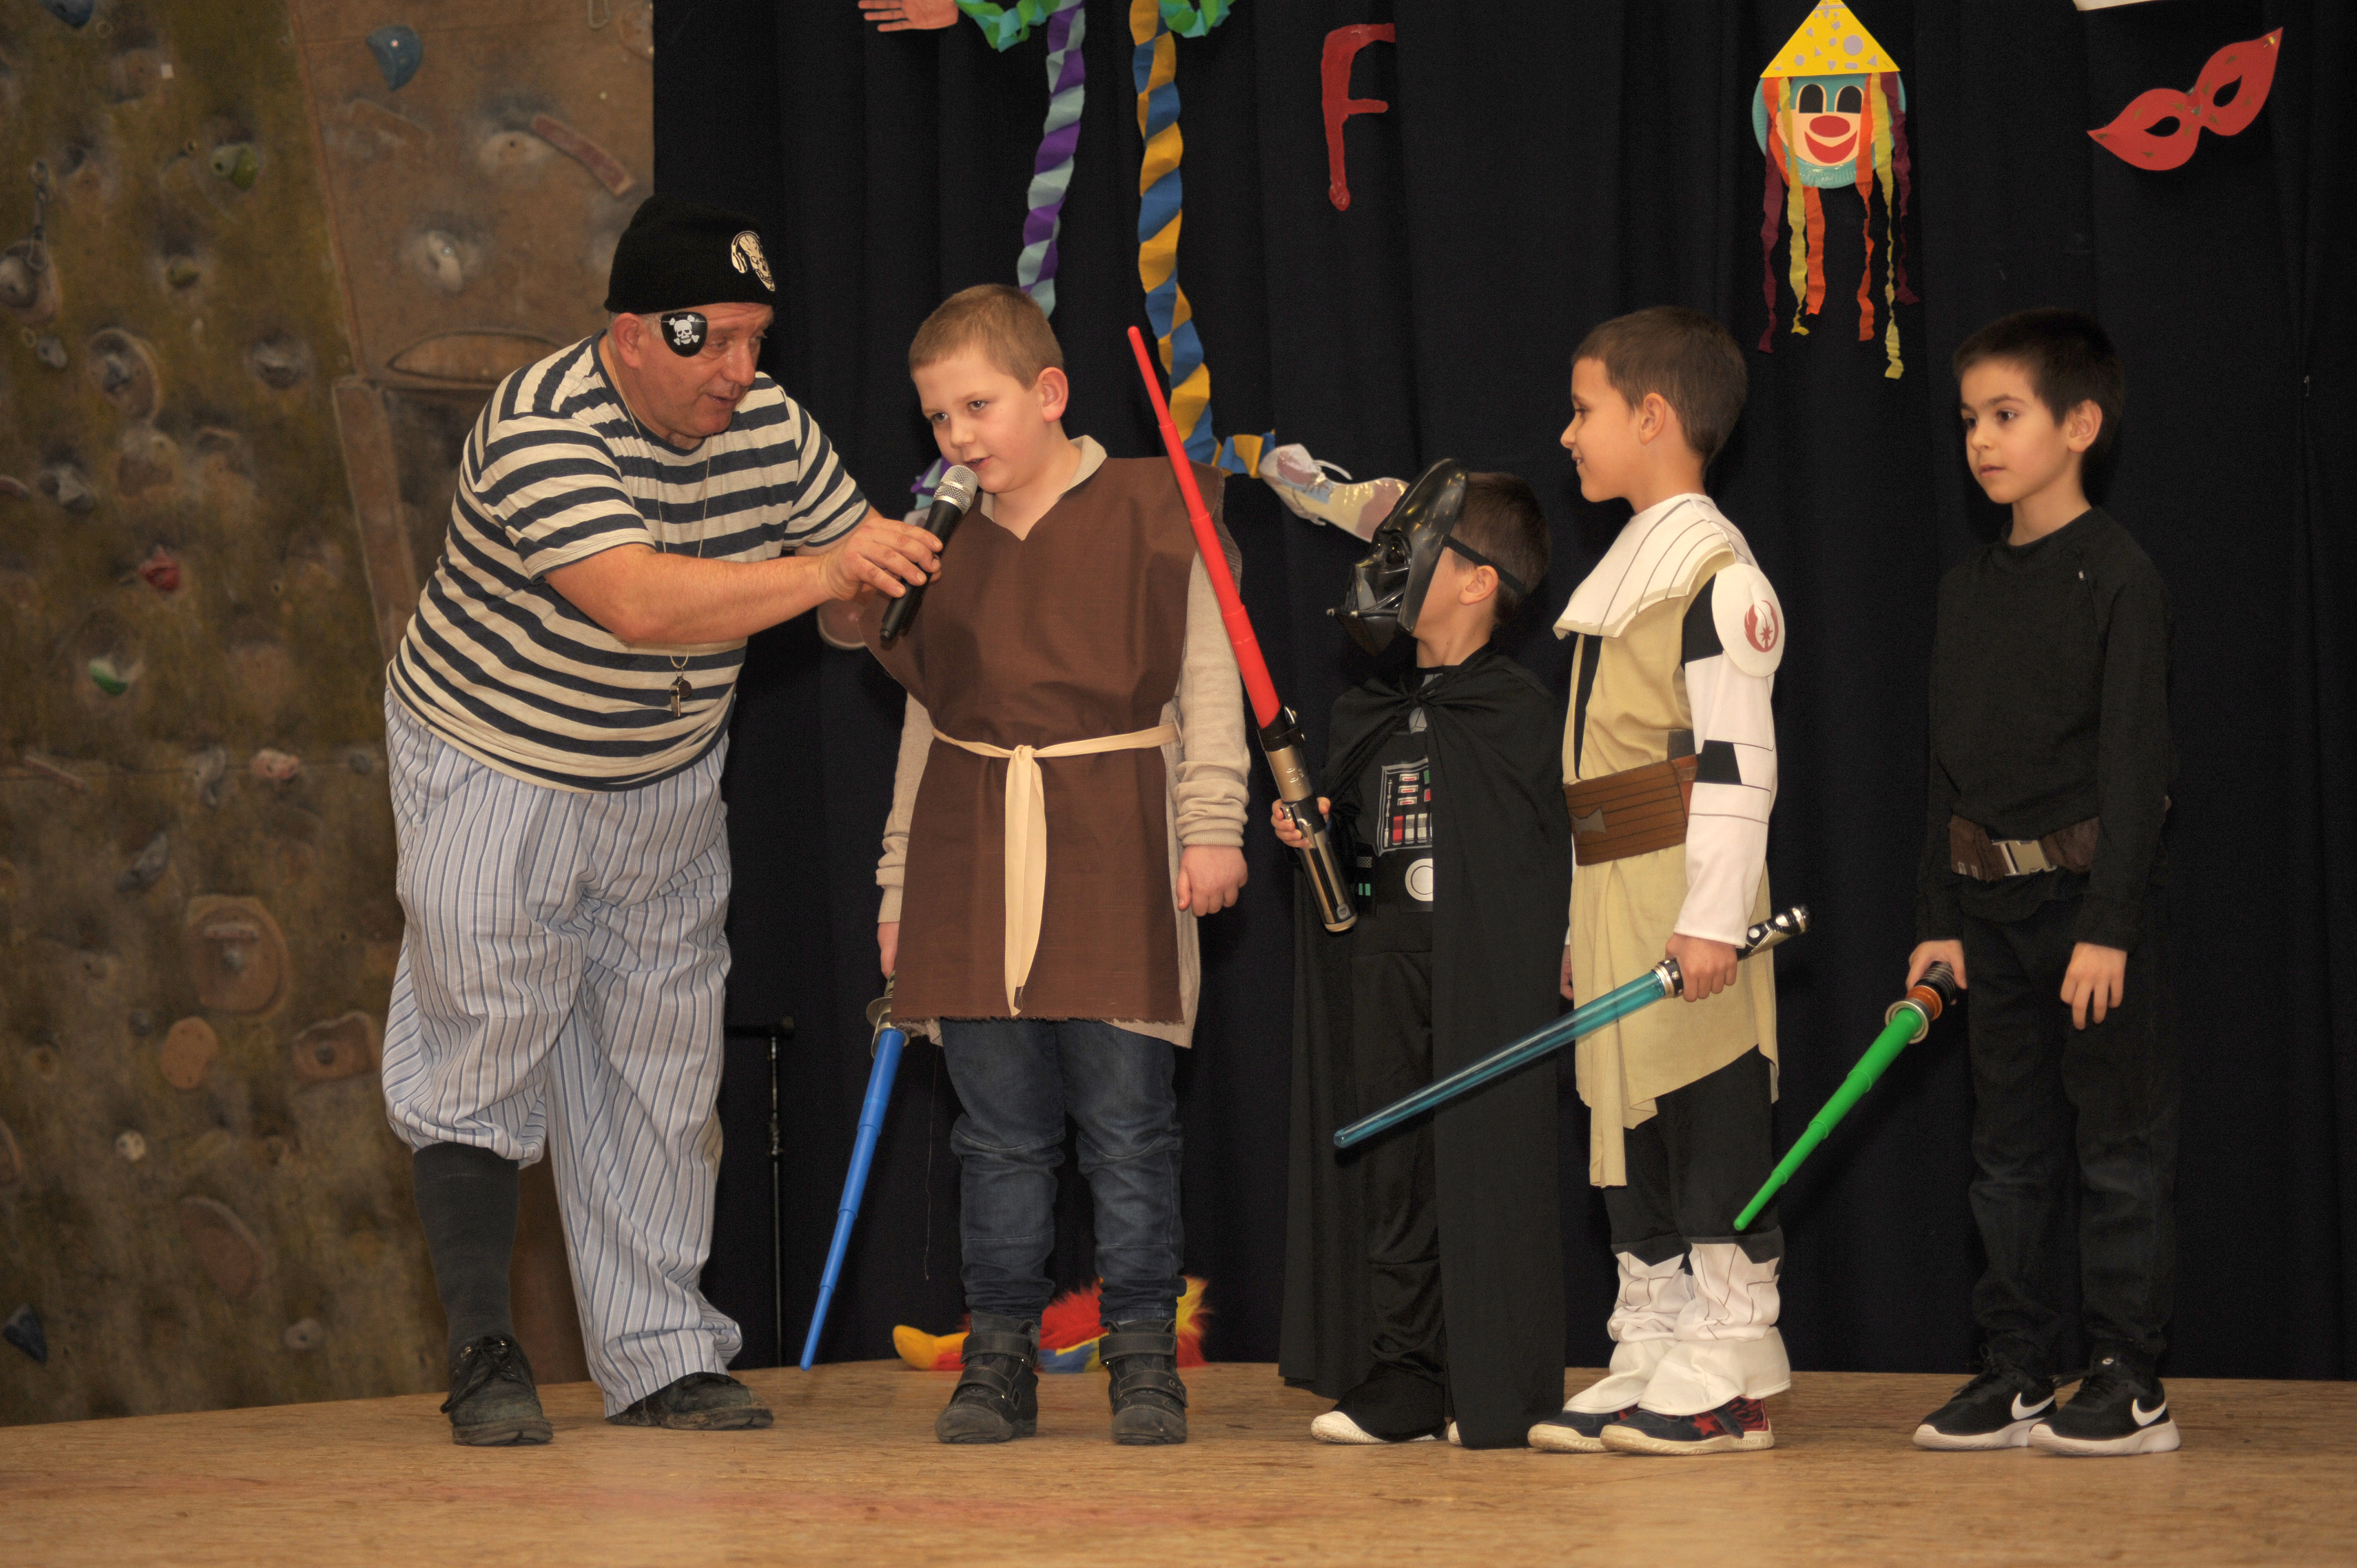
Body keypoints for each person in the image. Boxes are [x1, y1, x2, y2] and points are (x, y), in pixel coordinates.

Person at [379, 194, 942, 1445]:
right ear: (632, 334)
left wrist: (876, 592)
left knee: (662, 1066)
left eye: (755, 339)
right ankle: (483, 1351)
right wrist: (829, 573)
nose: (740, 369)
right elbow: (635, 603)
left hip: (667, 773)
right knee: (482, 1037)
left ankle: (660, 1357)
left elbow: (846, 584)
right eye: (712, 340)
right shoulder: (539, 428)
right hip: (497, 761)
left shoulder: (770, 426)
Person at [862, 284, 1250, 1446]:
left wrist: (1212, 824)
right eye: (937, 418)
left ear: (1048, 393)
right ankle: (997, 1358)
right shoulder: (936, 544)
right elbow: (927, 726)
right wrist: (898, 884)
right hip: (971, 854)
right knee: (996, 1136)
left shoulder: (1157, 507)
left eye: (976, 407)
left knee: (1129, 1127)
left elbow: (1210, 677)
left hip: (1116, 835)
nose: (957, 436)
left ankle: (1143, 1357)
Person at [1907, 309, 2178, 1457]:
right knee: (2005, 1154)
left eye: (2006, 414)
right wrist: (1938, 920)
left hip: (2086, 914)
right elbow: (1943, 765)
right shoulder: (1966, 587)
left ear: (2079, 426)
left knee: (2116, 1150)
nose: (1980, 438)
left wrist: (2108, 925)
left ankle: (2128, 1377)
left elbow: (2136, 767)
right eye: (1970, 417)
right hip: (1988, 909)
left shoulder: (2118, 575)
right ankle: (2014, 1368)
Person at [1531, 306, 1790, 1457]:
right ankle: (1654, 1337)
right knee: (1624, 1118)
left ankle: (1731, 1362)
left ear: (1651, 417)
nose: (1568, 433)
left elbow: (1736, 767)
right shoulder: (1630, 567)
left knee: (1704, 1112)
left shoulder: (1717, 578)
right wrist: (1579, 920)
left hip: (1686, 893)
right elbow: (1596, 775)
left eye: (1583, 409)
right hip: (1614, 890)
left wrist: (1713, 919)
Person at [1276, 465, 1568, 1450]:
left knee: (1482, 1166)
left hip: (1484, 975)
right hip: (1385, 967)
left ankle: (1492, 1377)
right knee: (1394, 1170)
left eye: (1418, 550)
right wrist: (1315, 838)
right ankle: (1405, 1371)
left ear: (1481, 581)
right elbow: (1351, 865)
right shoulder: (1364, 713)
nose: (1390, 569)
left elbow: (1545, 859)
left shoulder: (1523, 714)